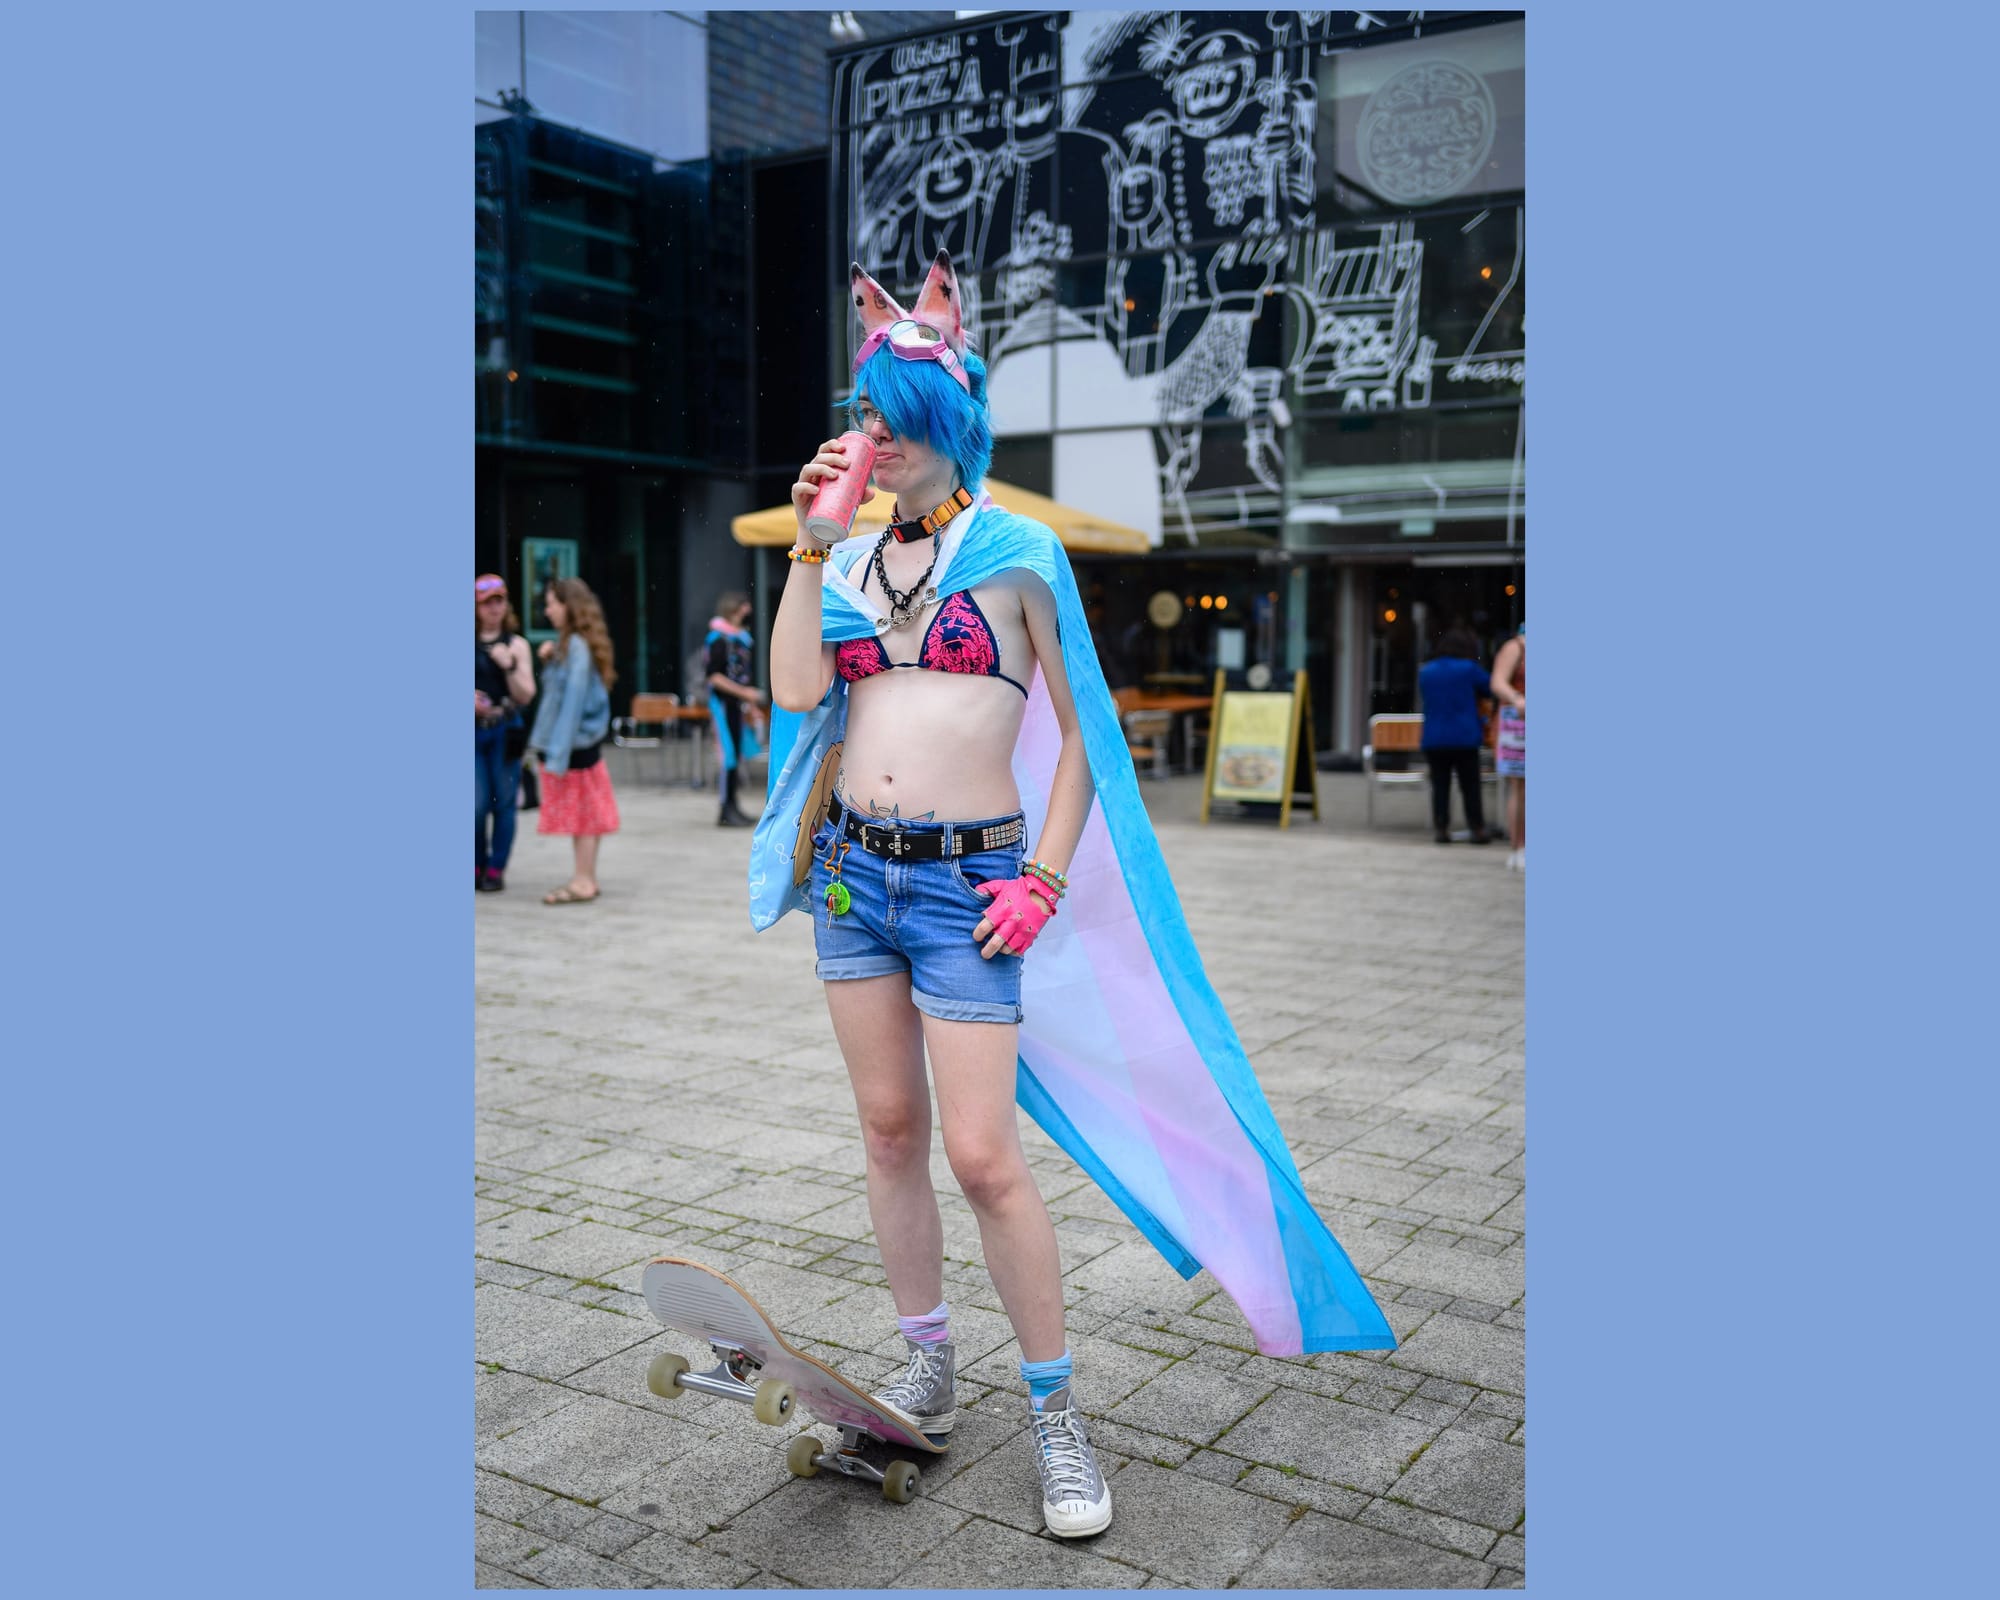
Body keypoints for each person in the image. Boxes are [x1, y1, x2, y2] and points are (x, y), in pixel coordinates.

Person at [755, 252, 1393, 1541]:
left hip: (969, 887)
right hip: (853, 880)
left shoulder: (1020, 551)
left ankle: (1054, 1412)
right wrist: (811, 549)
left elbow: (1085, 738)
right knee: (888, 1131)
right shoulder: (849, 554)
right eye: (859, 412)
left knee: (983, 1156)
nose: (862, 435)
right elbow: (788, 693)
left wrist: (1043, 879)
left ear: (936, 425)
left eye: (882, 416)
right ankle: (926, 1360)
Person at [527, 577, 619, 904]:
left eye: (552, 603)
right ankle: (586, 878)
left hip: (575, 747)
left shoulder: (576, 647)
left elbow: (571, 704)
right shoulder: (576, 645)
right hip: (581, 746)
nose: (548, 610)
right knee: (587, 816)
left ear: (568, 606)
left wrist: (556, 756)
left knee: (583, 818)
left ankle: (583, 881)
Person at [475, 574, 536, 891]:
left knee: (503, 802)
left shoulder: (517, 645)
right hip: (473, 732)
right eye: (487, 603)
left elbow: (526, 695)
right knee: (475, 802)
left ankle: (496, 868)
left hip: (505, 729)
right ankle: (475, 863)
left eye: (499, 601)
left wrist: (509, 665)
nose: (494, 608)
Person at [1417, 626, 1493, 847]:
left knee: (1440, 785)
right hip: (1464, 736)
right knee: (1470, 785)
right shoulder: (1469, 668)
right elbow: (1490, 688)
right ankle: (1476, 828)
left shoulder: (1427, 671)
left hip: (1434, 737)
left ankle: (1441, 827)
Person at [705, 592, 769, 828]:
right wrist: (745, 695)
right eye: (744, 606)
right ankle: (725, 809)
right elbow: (714, 677)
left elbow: (741, 678)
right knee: (727, 757)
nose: (748, 610)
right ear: (735, 609)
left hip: (736, 706)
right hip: (722, 705)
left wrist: (750, 705)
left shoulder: (740, 639)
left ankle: (732, 806)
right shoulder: (718, 639)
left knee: (736, 756)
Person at [1490, 622, 1526, 870]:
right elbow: (1498, 682)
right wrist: (1517, 698)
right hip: (1518, 725)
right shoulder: (1516, 648)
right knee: (1521, 786)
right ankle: (1518, 846)